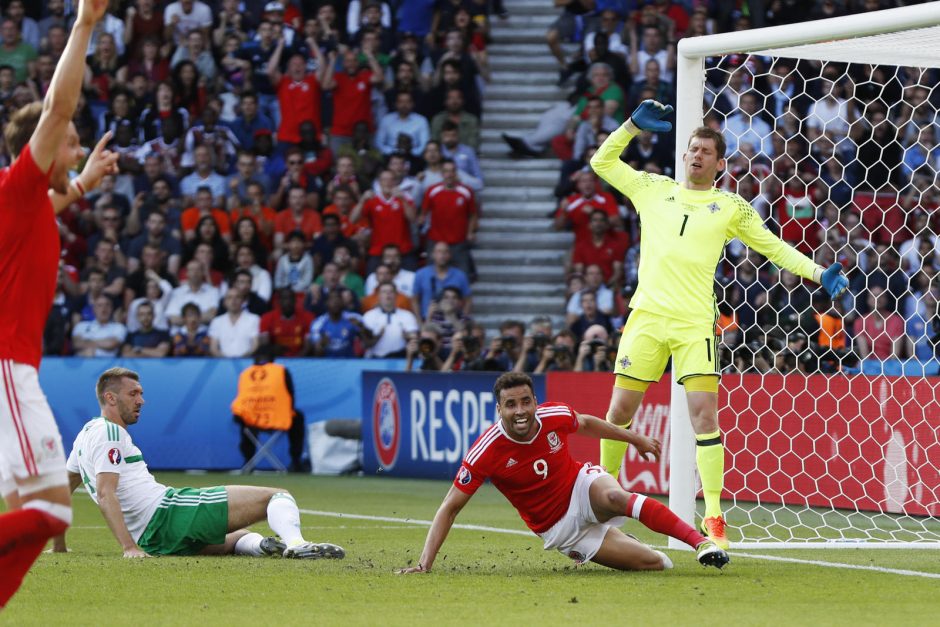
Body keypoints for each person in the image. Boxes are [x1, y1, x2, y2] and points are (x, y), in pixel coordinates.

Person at [589, 100, 850, 549]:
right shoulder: (653, 188)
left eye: (705, 152)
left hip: (694, 324)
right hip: (647, 317)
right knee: (618, 414)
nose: (696, 156)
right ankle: (605, 501)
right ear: (683, 155)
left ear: (719, 163)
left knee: (704, 418)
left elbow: (774, 248)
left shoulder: (731, 207)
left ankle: (713, 517)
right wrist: (631, 126)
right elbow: (601, 161)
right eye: (692, 149)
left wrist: (816, 272)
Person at [0, 0, 120, 607]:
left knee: (34, 510)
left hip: (12, 369)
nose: (74, 149)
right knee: (49, 509)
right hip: (6, 368)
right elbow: (57, 107)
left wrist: (85, 183)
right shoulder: (19, 183)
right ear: (38, 151)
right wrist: (85, 23)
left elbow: (55, 204)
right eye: (69, 145)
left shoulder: (25, 204)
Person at [397, 372, 728, 575]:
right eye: (511, 405)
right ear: (499, 410)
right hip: (559, 529)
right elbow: (450, 507)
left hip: (581, 487)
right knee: (655, 564)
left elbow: (586, 423)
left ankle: (701, 543)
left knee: (614, 496)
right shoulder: (486, 451)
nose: (521, 411)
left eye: (526, 401)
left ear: (534, 401)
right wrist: (425, 564)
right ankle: (620, 541)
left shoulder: (552, 415)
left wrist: (635, 438)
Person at [62, 367, 342, 559]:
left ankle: (264, 546)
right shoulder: (111, 433)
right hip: (167, 513)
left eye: (141, 393)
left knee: (236, 537)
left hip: (154, 539)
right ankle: (297, 544)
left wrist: (59, 545)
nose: (142, 400)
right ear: (110, 398)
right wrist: (128, 548)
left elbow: (64, 488)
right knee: (276, 495)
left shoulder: (85, 434)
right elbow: (105, 492)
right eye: (133, 394)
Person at [232, 349, 308, 472]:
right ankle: (296, 461)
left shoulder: (245, 374)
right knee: (298, 417)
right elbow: (291, 396)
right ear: (273, 360)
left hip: (253, 419)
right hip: (279, 419)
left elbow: (241, 399)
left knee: (243, 419)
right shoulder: (281, 371)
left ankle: (248, 462)